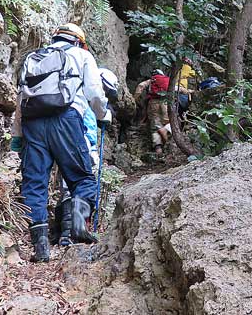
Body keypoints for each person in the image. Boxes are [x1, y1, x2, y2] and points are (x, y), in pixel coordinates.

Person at [11, 23, 112, 263]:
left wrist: (17, 135)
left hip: (33, 123)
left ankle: (40, 246)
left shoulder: (32, 58)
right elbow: (95, 93)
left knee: (34, 183)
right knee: (82, 177)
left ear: (55, 37)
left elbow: (21, 97)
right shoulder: (81, 55)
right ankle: (78, 222)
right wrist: (103, 114)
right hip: (66, 119)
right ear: (78, 40)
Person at [55, 67, 120, 246]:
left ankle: (62, 232)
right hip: (81, 141)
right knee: (83, 183)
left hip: (64, 138)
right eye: (106, 90)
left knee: (67, 184)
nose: (105, 94)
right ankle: (71, 233)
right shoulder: (89, 95)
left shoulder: (74, 90)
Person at [133, 69, 170, 157]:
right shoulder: (167, 79)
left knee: (155, 127)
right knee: (169, 121)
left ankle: (158, 149)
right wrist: (188, 91)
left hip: (153, 103)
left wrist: (135, 99)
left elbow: (140, 86)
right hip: (165, 102)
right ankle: (166, 130)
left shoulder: (151, 80)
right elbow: (177, 88)